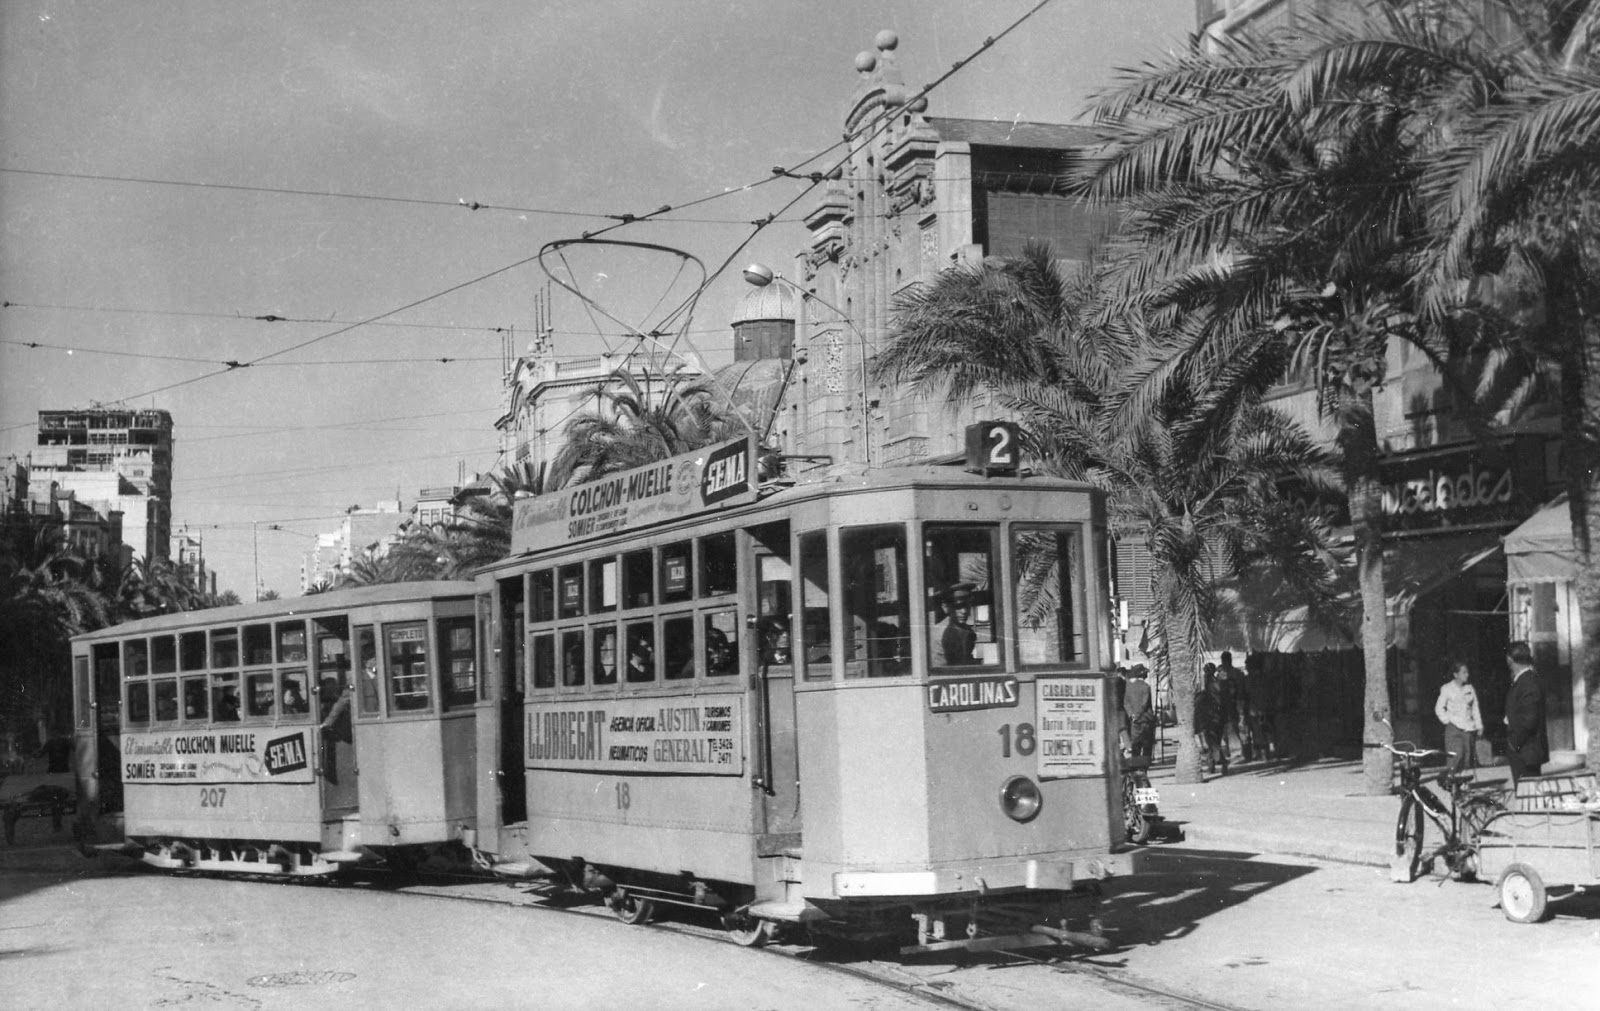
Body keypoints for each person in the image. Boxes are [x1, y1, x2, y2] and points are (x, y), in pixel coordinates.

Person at [1503, 640, 1547, 783]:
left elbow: (1529, 720)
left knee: (1528, 797)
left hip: (1526, 751)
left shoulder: (1528, 682)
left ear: (1510, 659)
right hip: (1524, 750)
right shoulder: (1524, 681)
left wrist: (1514, 743)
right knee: (1525, 795)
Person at [1434, 659, 1483, 774]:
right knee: (1455, 757)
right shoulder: (1447, 688)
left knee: (1466, 758)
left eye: (1467, 672)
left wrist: (1479, 725)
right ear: (1456, 674)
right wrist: (1448, 721)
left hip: (1468, 728)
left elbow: (1475, 708)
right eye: (1464, 672)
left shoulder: (1469, 689)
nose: (1467, 675)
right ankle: (1452, 785)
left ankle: (1463, 786)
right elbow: (1439, 708)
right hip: (1454, 728)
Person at [932, 583, 978, 665]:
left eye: (967, 606)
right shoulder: (940, 633)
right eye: (958, 607)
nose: (964, 611)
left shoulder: (968, 631)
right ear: (946, 607)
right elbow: (940, 668)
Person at [1197, 663, 1227, 776]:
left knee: (1213, 742)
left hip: (1212, 716)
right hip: (1211, 716)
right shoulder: (1210, 683)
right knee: (1213, 742)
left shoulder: (1211, 683)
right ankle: (1215, 764)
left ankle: (1219, 762)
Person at [1123, 665, 1156, 760]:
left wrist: (1132, 715)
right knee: (1147, 744)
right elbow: (1144, 704)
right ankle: (1145, 763)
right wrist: (1137, 715)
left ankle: (1136, 762)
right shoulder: (1145, 687)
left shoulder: (1128, 686)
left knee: (1135, 743)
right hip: (1145, 718)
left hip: (1134, 720)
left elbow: (1126, 703)